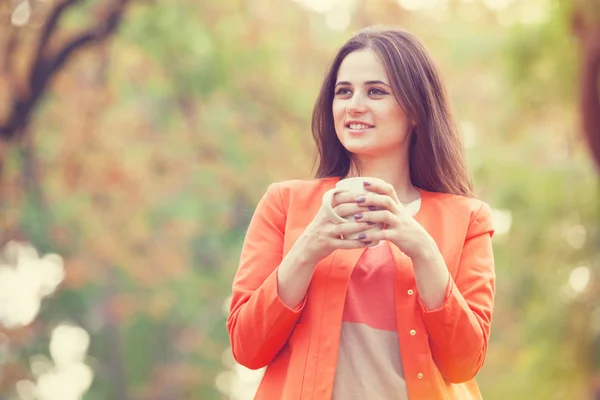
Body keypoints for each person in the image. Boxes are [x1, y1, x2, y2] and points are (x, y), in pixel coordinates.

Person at [226, 26, 495, 400]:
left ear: (415, 110)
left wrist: (422, 250)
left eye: (376, 91)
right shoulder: (284, 204)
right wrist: (308, 248)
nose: (354, 105)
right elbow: (247, 347)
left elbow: (463, 364)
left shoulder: (467, 220)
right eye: (343, 91)